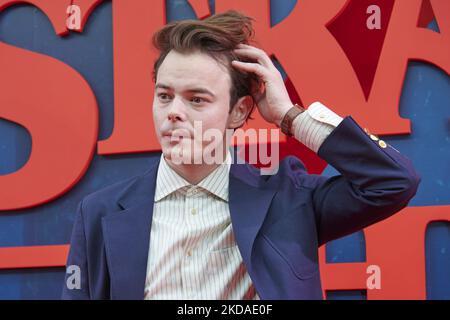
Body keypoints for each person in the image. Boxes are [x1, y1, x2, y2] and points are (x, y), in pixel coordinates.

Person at [61, 10, 421, 300]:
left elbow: (393, 182)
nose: (173, 112)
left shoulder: (288, 199)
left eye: (196, 99)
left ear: (238, 112)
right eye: (165, 95)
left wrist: (288, 116)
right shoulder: (100, 211)